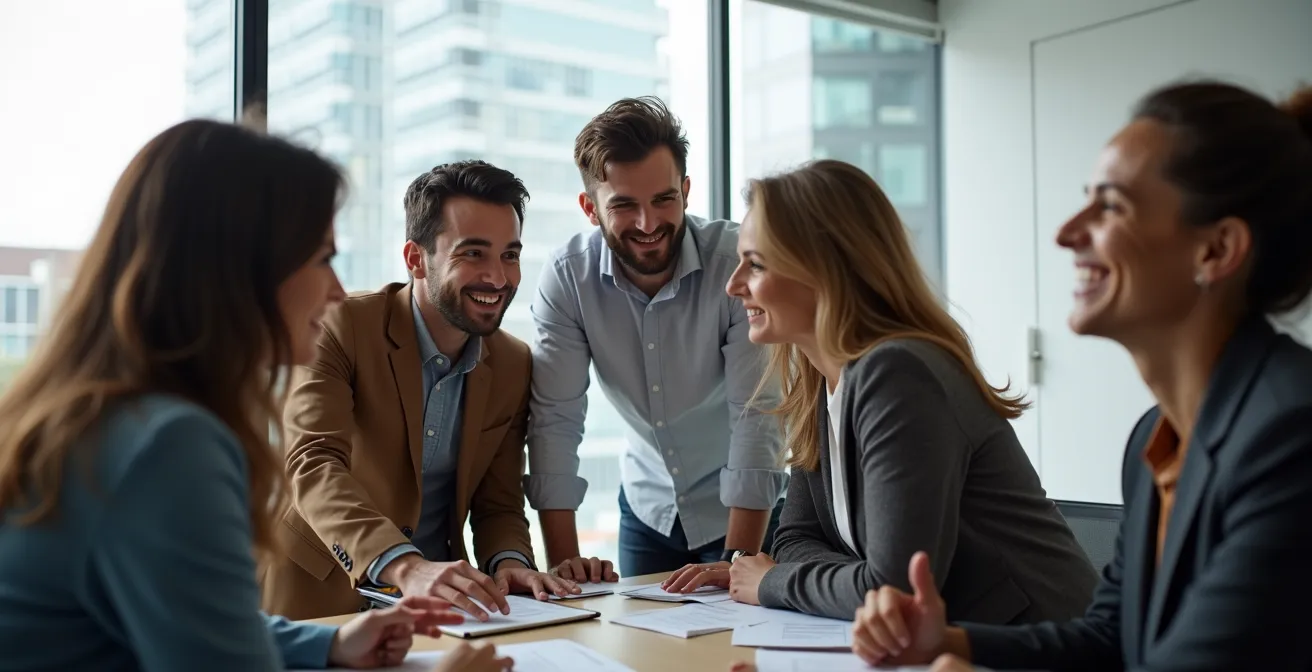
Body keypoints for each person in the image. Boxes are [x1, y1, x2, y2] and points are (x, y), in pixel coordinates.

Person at [0, 119, 513, 671]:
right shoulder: (171, 445)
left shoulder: (107, 415)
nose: (337, 290)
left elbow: (189, 621)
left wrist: (327, 645)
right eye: (322, 259)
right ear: (240, 270)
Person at [847, 81, 1312, 670]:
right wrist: (947, 642)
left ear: (1216, 250)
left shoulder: (1291, 438)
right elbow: (1111, 638)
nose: (1066, 232)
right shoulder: (1155, 439)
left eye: (1111, 206)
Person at [668, 158, 1096, 623]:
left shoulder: (899, 374)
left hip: (1036, 647)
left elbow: (894, 589)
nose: (733, 286)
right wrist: (849, 579)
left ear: (824, 269)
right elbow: (792, 539)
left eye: (755, 265)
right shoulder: (821, 384)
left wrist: (773, 581)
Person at [262, 160, 588, 622]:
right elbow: (313, 464)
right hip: (317, 599)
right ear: (416, 258)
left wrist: (510, 563)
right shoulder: (341, 327)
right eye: (473, 253)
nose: (497, 277)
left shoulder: (513, 363)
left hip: (438, 611)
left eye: (510, 255)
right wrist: (406, 566)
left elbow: (498, 503)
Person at [526, 96, 788, 579]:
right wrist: (565, 565)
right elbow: (555, 421)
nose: (648, 225)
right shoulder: (568, 276)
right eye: (624, 205)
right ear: (590, 208)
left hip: (750, 514)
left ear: (686, 191)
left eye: (663, 200)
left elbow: (757, 416)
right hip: (647, 510)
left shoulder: (736, 263)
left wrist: (737, 565)